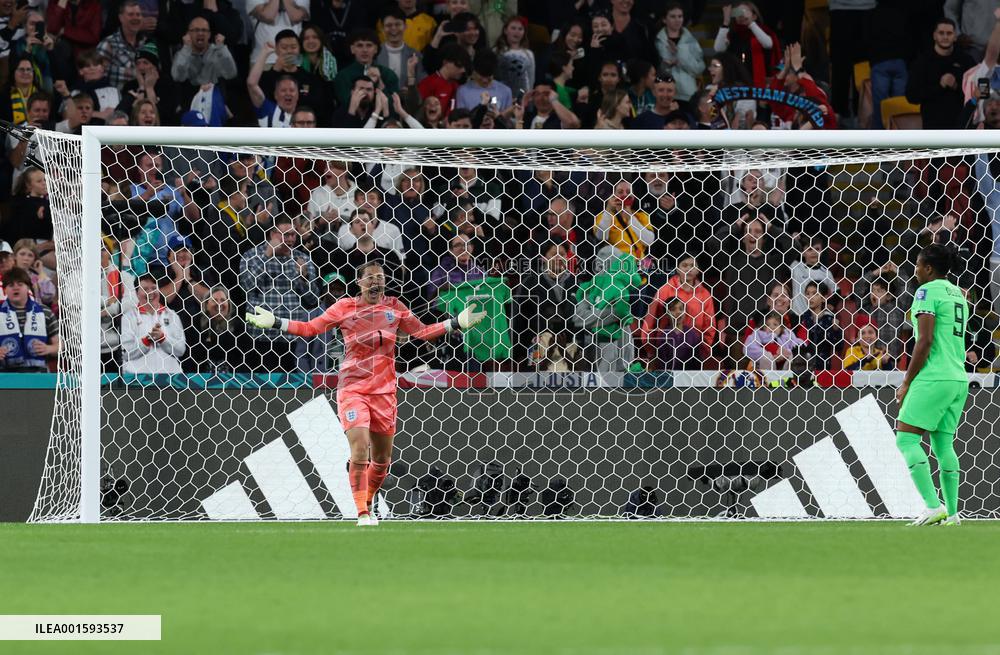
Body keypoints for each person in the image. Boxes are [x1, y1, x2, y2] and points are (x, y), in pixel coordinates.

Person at [245, 261, 485, 526]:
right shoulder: (345, 307)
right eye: (369, 278)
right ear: (359, 283)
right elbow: (311, 328)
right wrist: (276, 322)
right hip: (353, 388)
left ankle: (367, 501)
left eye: (379, 277)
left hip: (384, 392)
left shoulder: (395, 307)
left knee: (382, 460)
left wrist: (455, 323)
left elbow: (421, 332)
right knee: (360, 449)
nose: (375, 282)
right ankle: (362, 512)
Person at [895, 243, 969, 527]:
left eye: (916, 265)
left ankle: (931, 506)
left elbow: (924, 341)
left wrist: (906, 382)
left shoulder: (925, 292)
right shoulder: (958, 294)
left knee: (906, 438)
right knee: (943, 443)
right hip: (957, 377)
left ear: (928, 268)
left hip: (934, 376)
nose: (915, 270)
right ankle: (952, 514)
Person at [905, 18, 975, 129]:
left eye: (949, 33)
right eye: (941, 33)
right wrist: (939, 86)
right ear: (934, 36)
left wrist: (957, 86)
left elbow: (977, 93)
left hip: (961, 126)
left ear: (955, 36)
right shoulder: (922, 62)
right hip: (933, 126)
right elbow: (912, 96)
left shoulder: (966, 60)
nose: (945, 37)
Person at [120, 274, 186, 374]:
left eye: (154, 288)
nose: (150, 292)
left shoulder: (172, 315)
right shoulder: (128, 317)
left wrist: (163, 338)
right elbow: (125, 353)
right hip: (136, 377)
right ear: (137, 293)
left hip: (170, 376)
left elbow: (181, 350)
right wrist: (146, 341)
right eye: (145, 289)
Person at [0, 266, 59, 372]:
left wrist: (48, 349)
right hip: (5, 375)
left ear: (28, 288)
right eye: (11, 285)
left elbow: (59, 345)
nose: (15, 288)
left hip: (38, 374)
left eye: (20, 284)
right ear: (5, 290)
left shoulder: (45, 312)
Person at [654, 3, 705, 101]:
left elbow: (699, 68)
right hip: (665, 94)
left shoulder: (691, 41)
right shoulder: (658, 41)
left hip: (688, 94)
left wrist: (679, 55)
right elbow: (656, 70)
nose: (677, 20)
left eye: (680, 16)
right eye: (673, 16)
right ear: (664, 19)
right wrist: (666, 65)